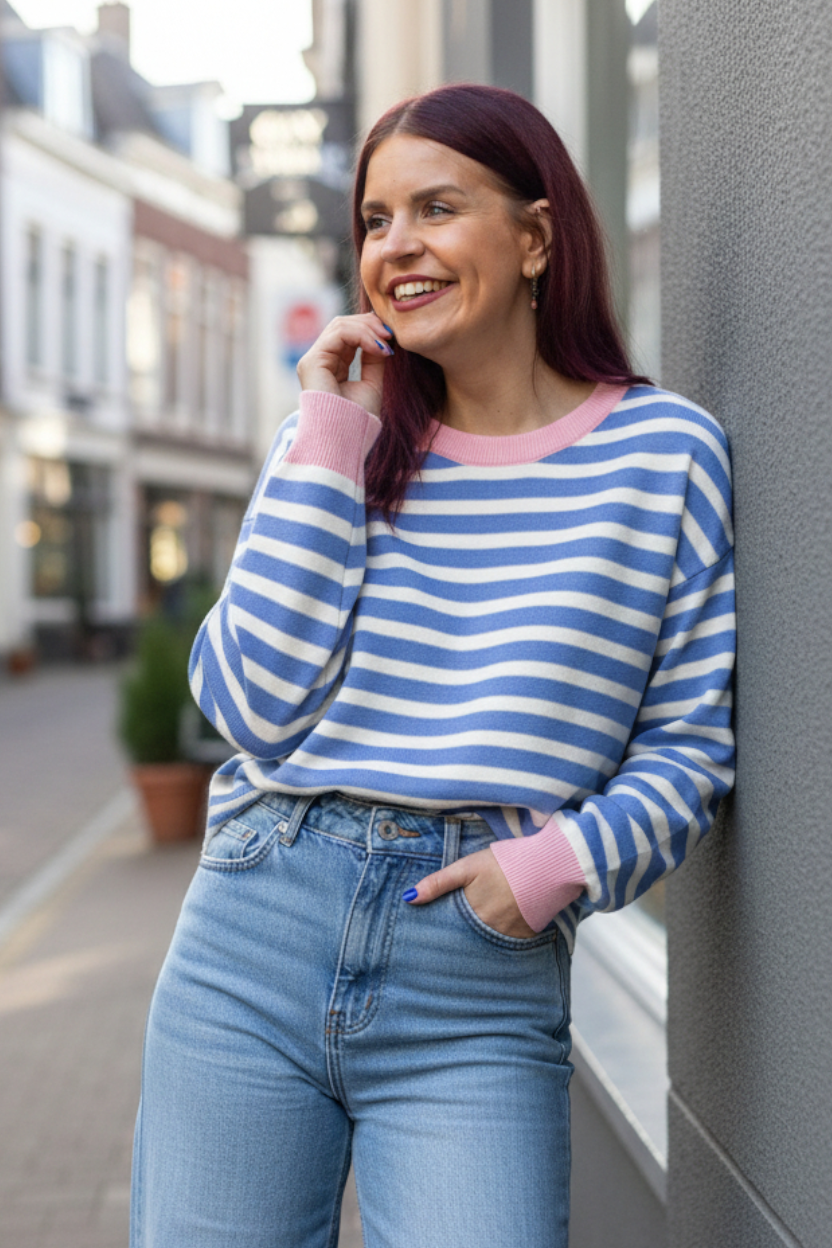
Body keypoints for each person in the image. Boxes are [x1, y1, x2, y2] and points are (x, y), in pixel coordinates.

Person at [130, 84, 735, 1248]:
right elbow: (250, 704)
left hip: (477, 965)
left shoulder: (665, 456)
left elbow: (689, 744)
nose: (393, 248)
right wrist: (328, 441)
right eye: (373, 219)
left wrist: (556, 866)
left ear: (536, 237)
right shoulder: (337, 441)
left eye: (436, 208)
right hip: (256, 919)